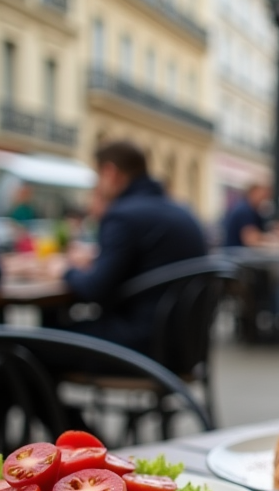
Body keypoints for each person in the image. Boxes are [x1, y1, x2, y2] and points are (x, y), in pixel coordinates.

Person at [56, 140, 207, 354]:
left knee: (34, 343)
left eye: (97, 177)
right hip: (185, 346)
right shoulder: (183, 212)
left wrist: (66, 270)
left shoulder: (122, 215)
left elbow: (93, 289)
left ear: (110, 172)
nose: (97, 185)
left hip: (141, 344)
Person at [222, 183, 270, 248]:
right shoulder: (245, 211)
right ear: (253, 193)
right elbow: (252, 241)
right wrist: (272, 239)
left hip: (239, 253)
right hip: (236, 255)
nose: (264, 199)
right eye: (262, 195)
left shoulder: (251, 209)